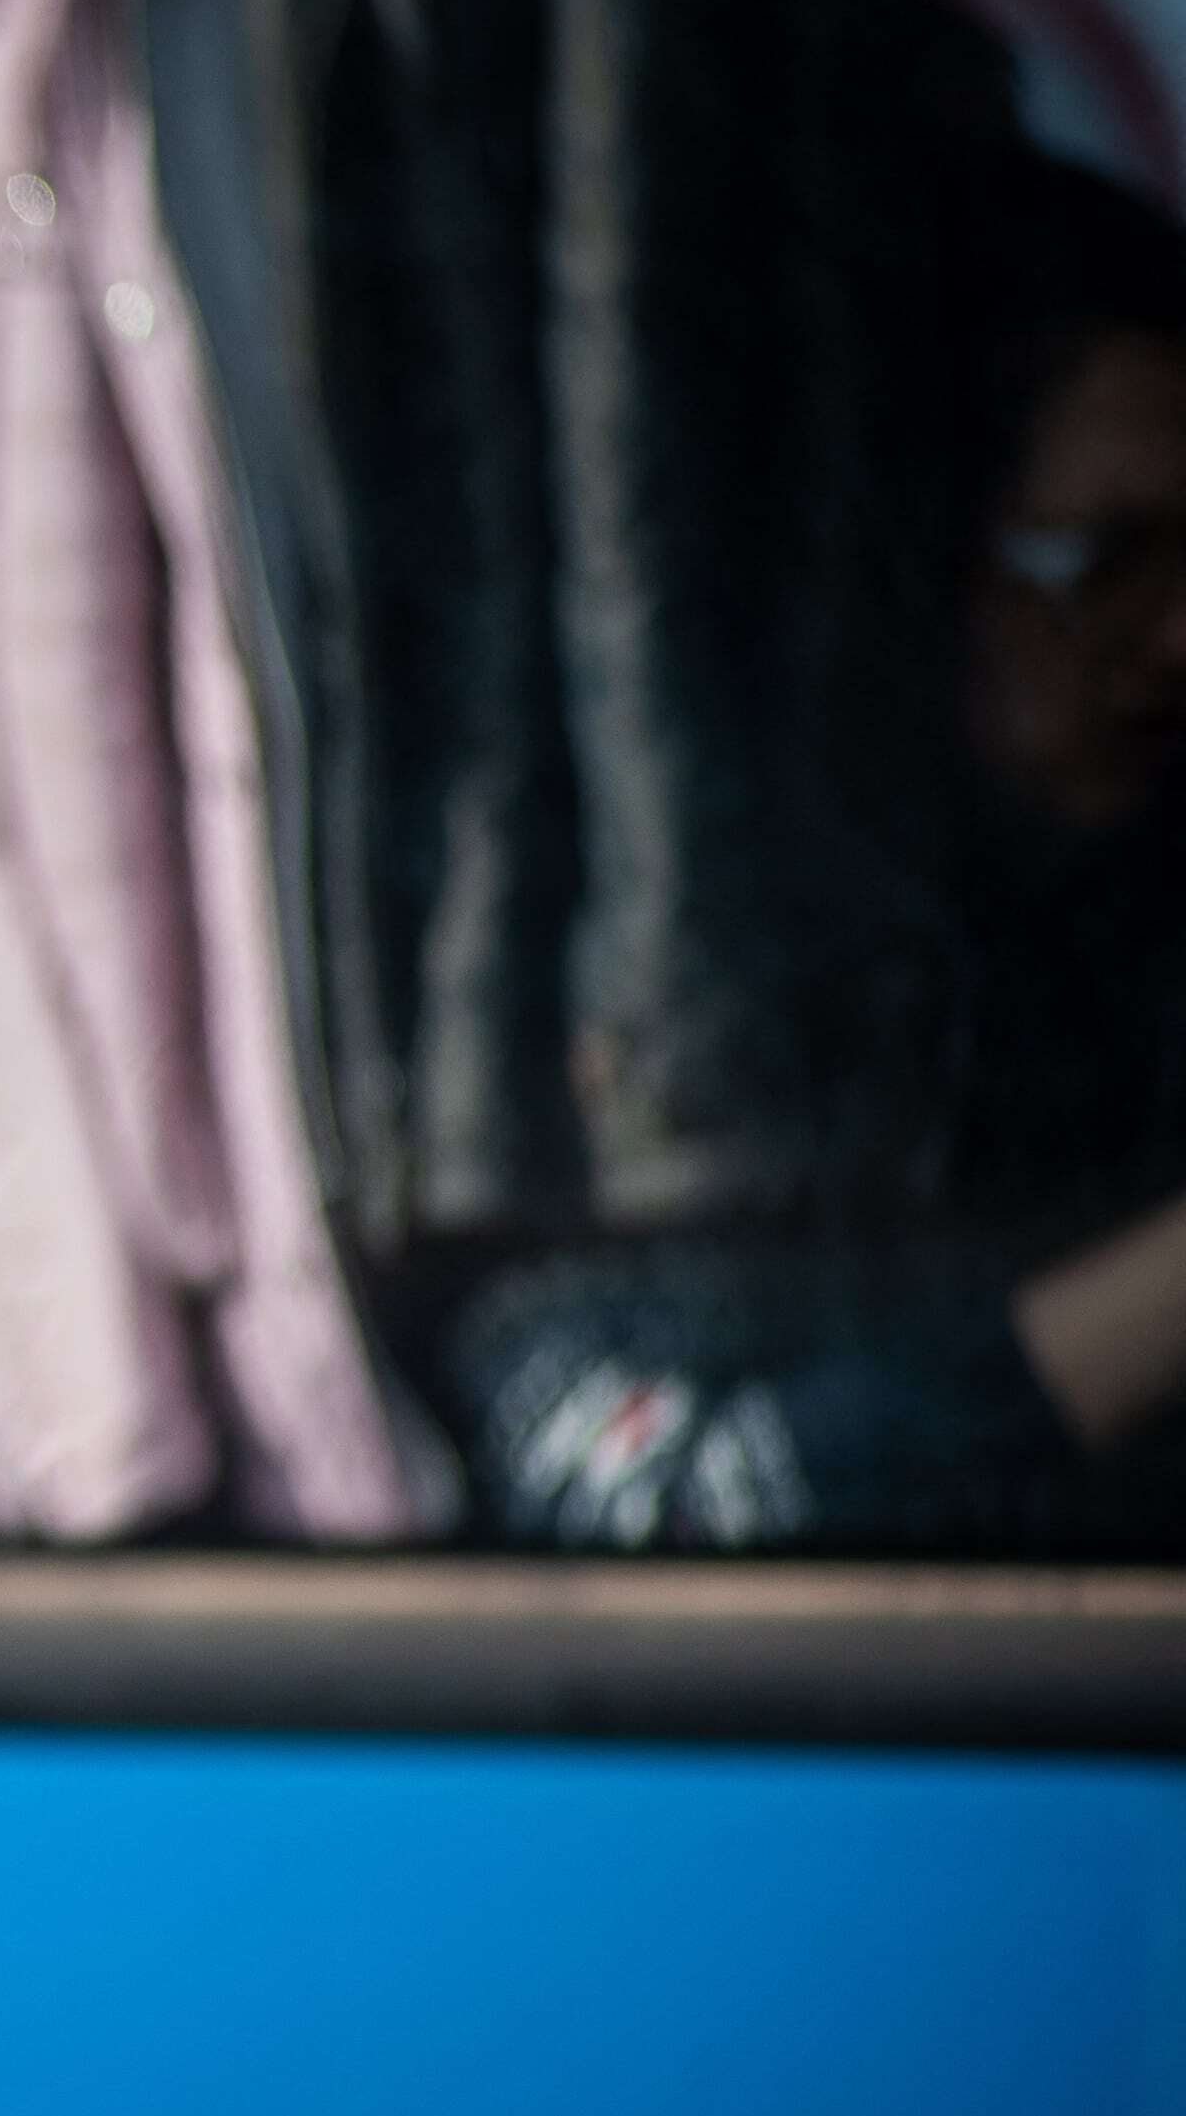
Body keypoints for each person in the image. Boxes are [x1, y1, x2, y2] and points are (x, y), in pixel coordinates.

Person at [435, 141, 1186, 1549]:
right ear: (909, 563)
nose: (1174, 641)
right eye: (1100, 559)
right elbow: (644, 1490)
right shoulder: (664, 999)